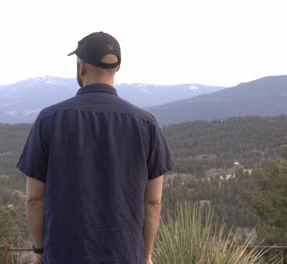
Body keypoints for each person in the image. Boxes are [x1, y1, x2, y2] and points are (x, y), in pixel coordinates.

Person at [16, 31, 174, 264]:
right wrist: (146, 255)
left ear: (81, 67)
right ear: (117, 68)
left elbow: (34, 198)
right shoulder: (146, 123)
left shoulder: (49, 119)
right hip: (125, 256)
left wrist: (40, 252)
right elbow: (153, 202)